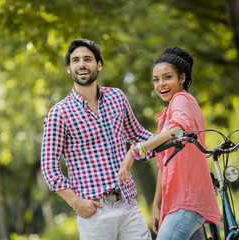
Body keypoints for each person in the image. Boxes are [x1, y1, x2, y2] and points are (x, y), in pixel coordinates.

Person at [40, 39, 154, 240]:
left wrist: (173, 134)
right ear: (69, 68)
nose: (82, 64)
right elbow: (49, 167)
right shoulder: (59, 113)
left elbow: (139, 136)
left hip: (128, 205)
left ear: (99, 64)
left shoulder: (117, 98)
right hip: (94, 212)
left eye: (87, 59)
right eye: (75, 60)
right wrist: (76, 203)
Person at [118, 47, 220, 240]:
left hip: (188, 200)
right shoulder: (168, 113)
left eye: (167, 77)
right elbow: (164, 166)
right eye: (156, 79)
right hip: (177, 201)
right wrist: (157, 206)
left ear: (182, 78)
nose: (161, 84)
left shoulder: (181, 99)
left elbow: (177, 128)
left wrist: (135, 150)